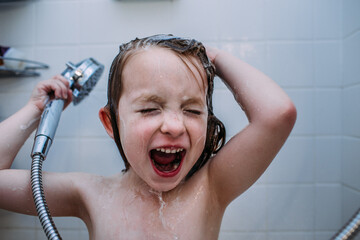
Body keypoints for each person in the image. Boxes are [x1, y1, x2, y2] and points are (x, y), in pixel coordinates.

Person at [0, 34, 296, 239]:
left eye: (193, 110)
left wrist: (212, 57)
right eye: (150, 109)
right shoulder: (89, 194)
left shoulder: (212, 187)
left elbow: (277, 114)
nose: (174, 126)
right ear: (111, 123)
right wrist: (35, 109)